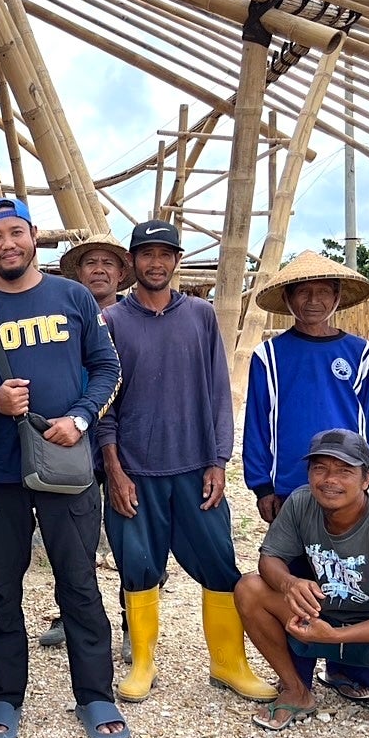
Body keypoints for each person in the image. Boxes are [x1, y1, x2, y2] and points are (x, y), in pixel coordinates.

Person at [0, 197, 128, 738]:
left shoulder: (73, 297)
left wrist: (81, 417)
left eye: (15, 233)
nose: (8, 244)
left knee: (79, 581)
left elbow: (108, 367)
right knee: (1, 587)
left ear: (34, 236)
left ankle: (95, 694)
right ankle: (3, 695)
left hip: (66, 467)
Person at [95, 220, 276, 706]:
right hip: (134, 470)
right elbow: (103, 401)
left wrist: (218, 459)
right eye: (146, 254)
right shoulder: (112, 321)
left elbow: (218, 390)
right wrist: (113, 468)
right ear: (131, 262)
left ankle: (228, 662)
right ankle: (142, 662)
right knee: (137, 565)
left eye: (165, 254)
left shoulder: (200, 315)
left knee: (218, 561)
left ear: (177, 261)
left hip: (196, 467)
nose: (156, 263)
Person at [244, 248, 369, 702]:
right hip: (292, 490)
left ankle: (350, 670)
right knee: (296, 578)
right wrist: (262, 485)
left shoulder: (359, 353)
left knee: (352, 579)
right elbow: (258, 423)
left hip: (348, 488)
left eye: (323, 292)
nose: (313, 301)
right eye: (303, 292)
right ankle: (299, 676)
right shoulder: (270, 355)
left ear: (337, 297)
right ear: (289, 299)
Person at [236, 429, 369, 733]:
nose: (330, 480)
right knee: (249, 588)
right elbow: (270, 558)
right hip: (324, 615)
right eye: (320, 468)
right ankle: (295, 690)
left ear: (367, 479)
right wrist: (290, 583)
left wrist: (334, 636)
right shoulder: (301, 502)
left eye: (345, 471)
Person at [40, 233, 137, 652]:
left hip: (124, 443)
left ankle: (133, 621)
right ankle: (71, 613)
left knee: (131, 539)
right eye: (90, 263)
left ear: (120, 273)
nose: (99, 270)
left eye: (107, 263)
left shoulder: (133, 320)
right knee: (73, 538)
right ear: (78, 273)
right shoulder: (61, 318)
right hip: (70, 439)